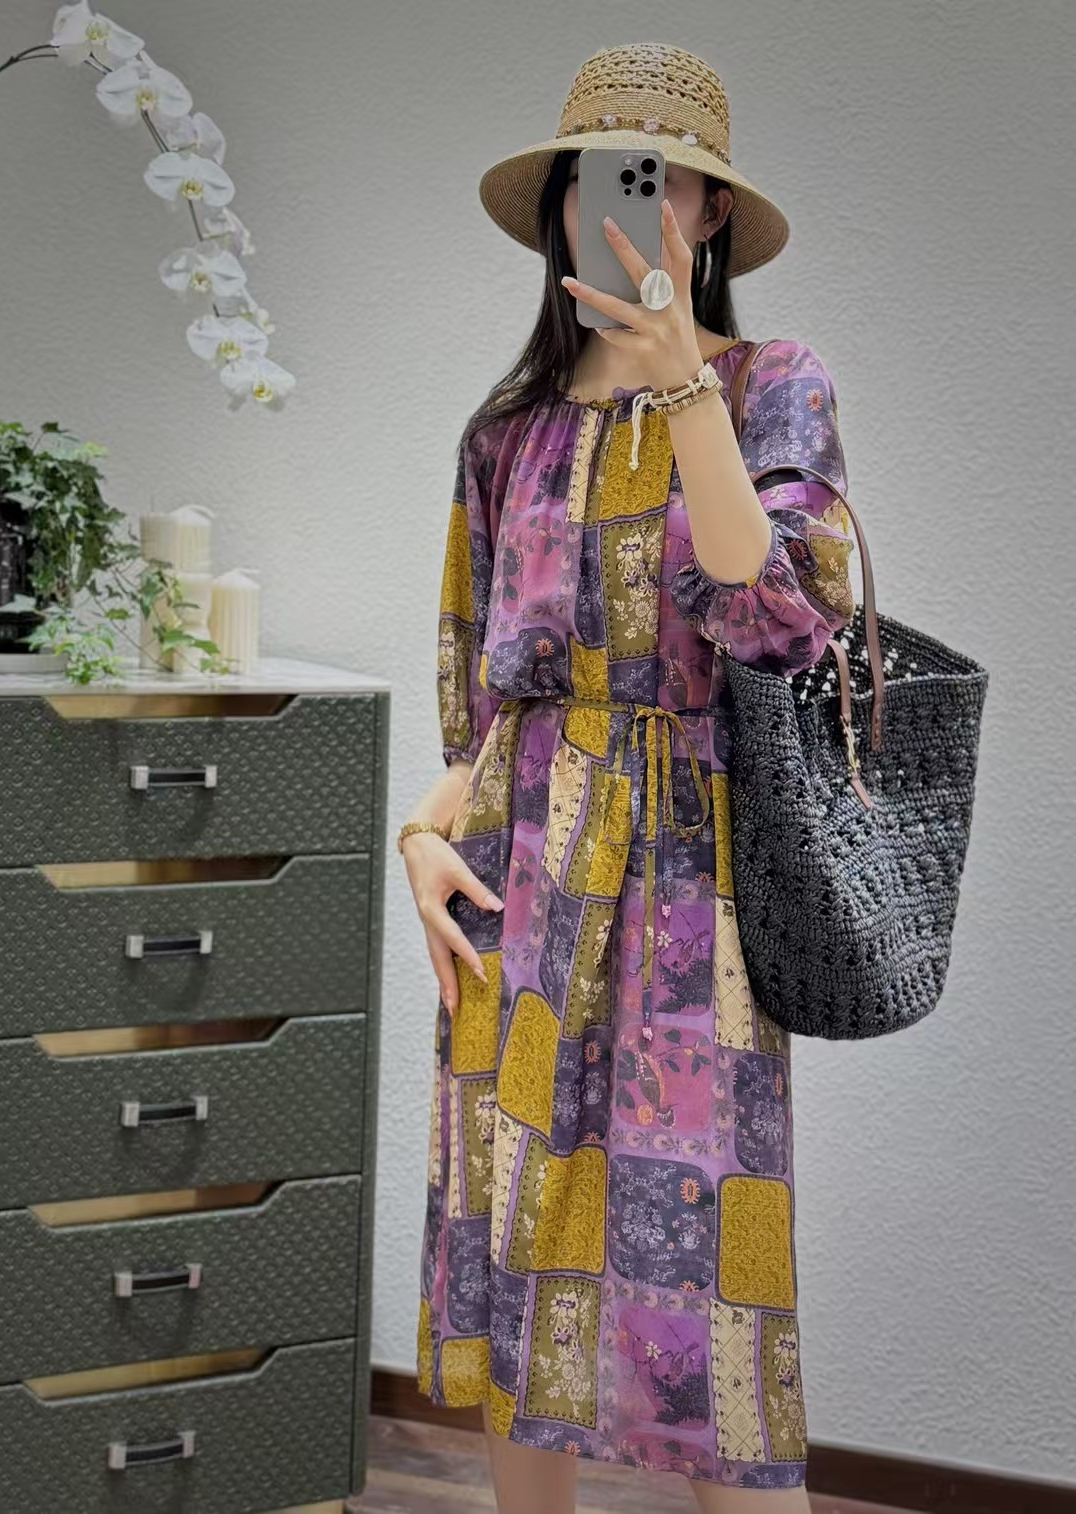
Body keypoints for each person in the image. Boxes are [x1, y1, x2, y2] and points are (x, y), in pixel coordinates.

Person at [398, 41, 856, 1513]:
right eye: (600, 181)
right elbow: (484, 699)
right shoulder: (506, 433)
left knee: (714, 1298)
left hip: (689, 885)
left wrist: (685, 391)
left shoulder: (774, 386)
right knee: (521, 1252)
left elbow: (779, 619)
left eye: (665, 184)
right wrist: (420, 834)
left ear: (710, 215)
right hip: (516, 880)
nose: (630, 209)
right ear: (559, 206)